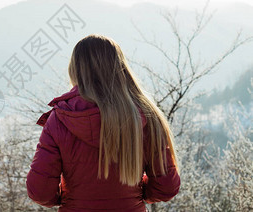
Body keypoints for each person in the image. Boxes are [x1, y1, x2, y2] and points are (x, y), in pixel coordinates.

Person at [26, 34, 181, 211]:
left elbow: (39, 191)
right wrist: (133, 195)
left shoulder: (60, 118)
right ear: (120, 67)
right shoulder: (146, 115)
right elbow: (166, 187)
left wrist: (71, 198)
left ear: (75, 69)